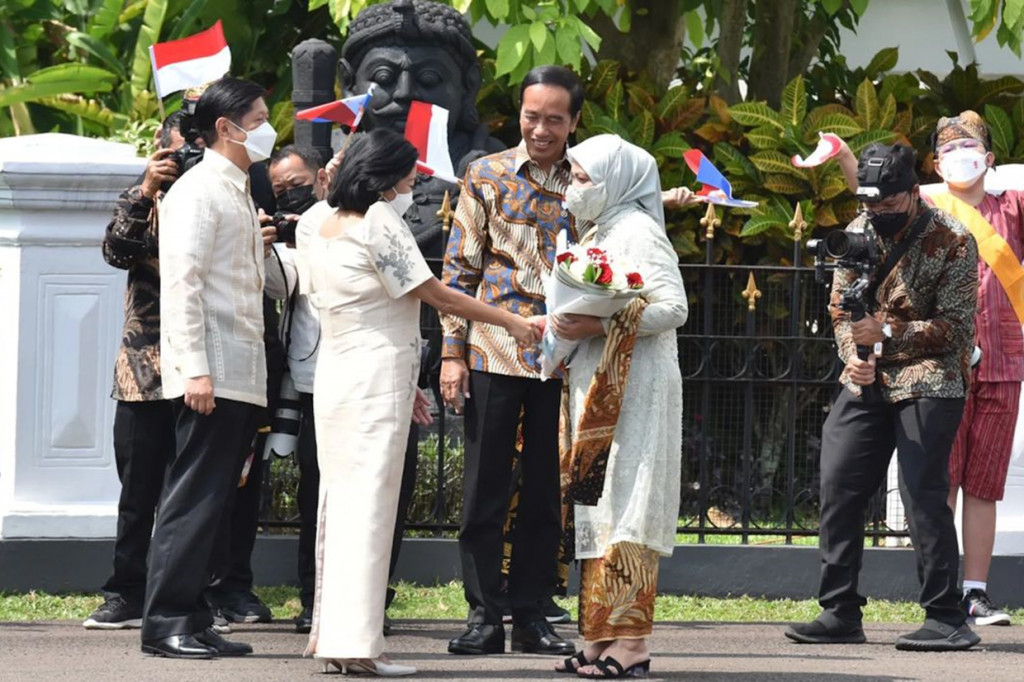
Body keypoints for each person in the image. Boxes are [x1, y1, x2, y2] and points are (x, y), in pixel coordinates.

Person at [301, 128, 540, 676]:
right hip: (375, 372)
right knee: (370, 511)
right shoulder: (381, 221)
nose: (416, 180)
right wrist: (509, 320)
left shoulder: (323, 223)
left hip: (338, 375)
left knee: (339, 508)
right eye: (410, 171)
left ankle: (336, 637)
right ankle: (361, 645)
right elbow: (431, 292)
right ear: (385, 175)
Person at [785, 143, 981, 651]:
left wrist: (889, 333)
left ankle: (945, 616)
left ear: (914, 194)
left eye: (888, 206)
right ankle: (840, 612)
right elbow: (840, 307)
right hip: (866, 378)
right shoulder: (855, 233)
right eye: (870, 205)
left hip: (930, 376)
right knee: (839, 484)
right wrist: (853, 353)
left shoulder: (954, 239)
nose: (877, 216)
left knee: (922, 494)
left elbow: (957, 329)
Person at [440, 64, 582, 659]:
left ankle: (531, 616)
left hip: (565, 359)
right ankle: (482, 616)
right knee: (484, 492)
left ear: (574, 121)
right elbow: (460, 269)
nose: (541, 128)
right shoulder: (487, 174)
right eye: (531, 116)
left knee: (548, 496)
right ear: (518, 115)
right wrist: (452, 353)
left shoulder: (588, 183)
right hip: (494, 350)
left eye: (554, 118)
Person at [141, 77, 277, 659]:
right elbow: (183, 288)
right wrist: (194, 369)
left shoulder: (235, 189)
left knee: (214, 500)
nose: (271, 128)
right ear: (228, 127)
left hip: (239, 369)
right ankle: (166, 619)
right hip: (212, 371)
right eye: (262, 117)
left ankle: (193, 616)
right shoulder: (198, 191)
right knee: (193, 497)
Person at [546, 134, 689, 677]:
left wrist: (600, 324)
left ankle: (632, 645)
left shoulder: (638, 230)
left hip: (637, 390)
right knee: (599, 508)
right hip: (603, 384)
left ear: (618, 182)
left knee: (630, 503)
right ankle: (599, 636)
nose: (572, 187)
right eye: (573, 176)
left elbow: (672, 307)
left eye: (583, 179)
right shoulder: (602, 227)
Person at [85, 112, 187, 631]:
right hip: (144, 370)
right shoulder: (140, 197)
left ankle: (196, 597)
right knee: (138, 491)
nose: (185, 159)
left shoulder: (226, 194)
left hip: (207, 367)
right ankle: (126, 591)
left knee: (196, 490)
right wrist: (148, 188)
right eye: (176, 150)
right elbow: (116, 251)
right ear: (158, 146)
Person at [927, 111, 1024, 626]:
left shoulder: (1011, 207)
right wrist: (849, 161)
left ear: (989, 159)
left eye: (969, 149)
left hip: (1005, 361)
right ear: (935, 163)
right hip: (942, 362)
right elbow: (873, 202)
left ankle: (975, 591)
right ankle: (939, 591)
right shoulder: (924, 209)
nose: (959, 157)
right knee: (942, 480)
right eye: (948, 150)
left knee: (983, 485)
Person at [266, 144, 330, 634]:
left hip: (363, 378)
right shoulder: (287, 243)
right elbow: (279, 287)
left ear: (323, 178)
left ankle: (364, 599)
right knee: (314, 495)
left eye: (298, 184)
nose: (292, 195)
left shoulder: (355, 222)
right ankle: (312, 598)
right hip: (311, 382)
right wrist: (266, 243)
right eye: (281, 189)